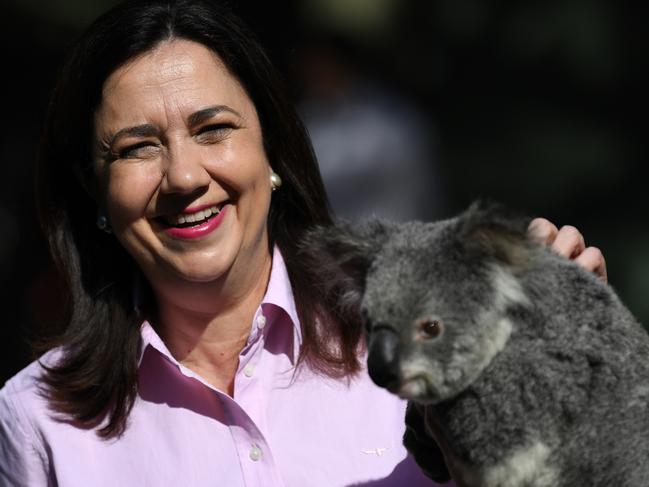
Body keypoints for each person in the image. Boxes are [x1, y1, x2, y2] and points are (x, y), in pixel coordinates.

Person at [0, 1, 606, 486]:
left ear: (274, 151)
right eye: (137, 147)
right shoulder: (40, 420)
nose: (184, 176)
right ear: (95, 188)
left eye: (214, 129)